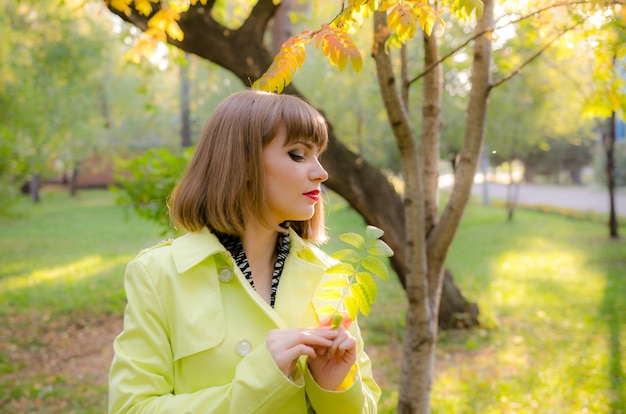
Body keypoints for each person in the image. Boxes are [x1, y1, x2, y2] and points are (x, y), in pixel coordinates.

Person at [108, 90, 380, 413]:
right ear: (244, 162)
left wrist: (333, 387)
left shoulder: (330, 277)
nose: (321, 173)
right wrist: (260, 383)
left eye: (318, 155)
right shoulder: (158, 274)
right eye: (297, 154)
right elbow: (131, 408)